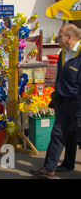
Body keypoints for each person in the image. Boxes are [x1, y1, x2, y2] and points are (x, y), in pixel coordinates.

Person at [30, 23, 81, 179]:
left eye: (60, 35)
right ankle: (50, 169)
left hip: (78, 104)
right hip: (62, 102)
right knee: (58, 134)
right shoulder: (63, 52)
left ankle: (62, 165)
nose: (57, 38)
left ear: (70, 37)